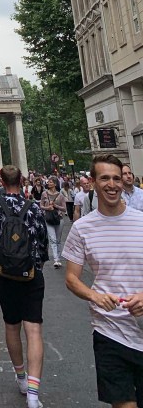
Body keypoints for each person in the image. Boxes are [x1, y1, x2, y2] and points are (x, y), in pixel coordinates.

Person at [64, 153, 143, 408]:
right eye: (105, 178)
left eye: (117, 179)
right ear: (93, 182)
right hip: (109, 330)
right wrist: (95, 296)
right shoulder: (82, 228)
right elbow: (71, 278)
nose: (112, 184)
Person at [0, 164, 48, 408]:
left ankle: (20, 377)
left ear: (0, 180)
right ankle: (33, 394)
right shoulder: (33, 206)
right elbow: (41, 240)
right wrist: (38, 264)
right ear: (21, 180)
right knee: (33, 329)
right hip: (31, 272)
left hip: (5, 273)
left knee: (12, 326)